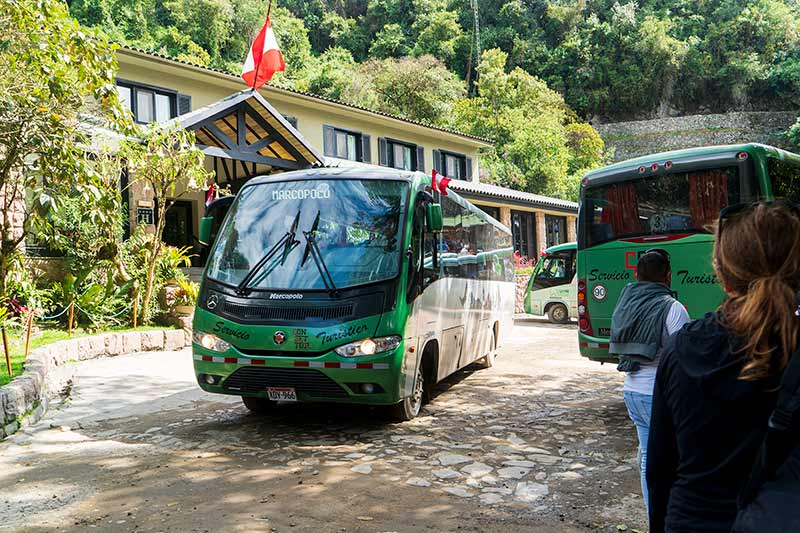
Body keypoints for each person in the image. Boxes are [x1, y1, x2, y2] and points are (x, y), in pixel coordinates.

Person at [647, 201, 800, 533]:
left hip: (691, 520)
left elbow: (661, 468)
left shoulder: (683, 349)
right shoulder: (790, 347)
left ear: (724, 276)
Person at [609, 249, 690, 512]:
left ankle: (652, 516)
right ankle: (664, 516)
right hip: (659, 396)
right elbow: (684, 356)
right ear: (668, 276)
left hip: (632, 391)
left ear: (636, 274)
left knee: (647, 457)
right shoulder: (672, 307)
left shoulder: (626, 301)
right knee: (672, 460)